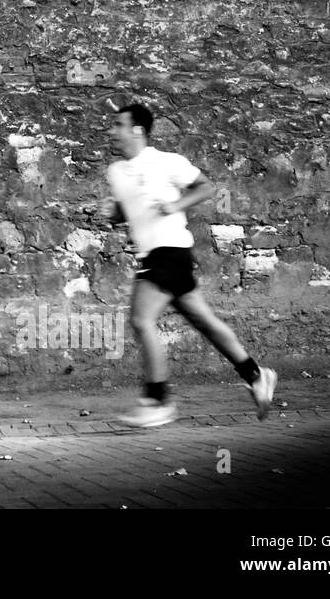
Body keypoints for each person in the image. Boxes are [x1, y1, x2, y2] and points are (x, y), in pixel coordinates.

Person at [100, 102, 277, 427]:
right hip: (156, 254)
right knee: (205, 322)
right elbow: (129, 209)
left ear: (137, 129)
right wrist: (115, 214)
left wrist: (175, 204)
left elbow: (207, 186)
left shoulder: (167, 162)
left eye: (118, 124)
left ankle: (158, 400)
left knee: (141, 319)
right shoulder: (117, 172)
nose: (112, 130)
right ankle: (256, 375)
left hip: (170, 251)